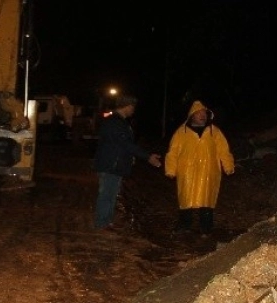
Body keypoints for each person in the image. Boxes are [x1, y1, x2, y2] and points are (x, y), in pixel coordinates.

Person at [164, 100, 235, 237]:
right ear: (192, 115)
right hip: (187, 171)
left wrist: (228, 165)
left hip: (209, 171)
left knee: (207, 199)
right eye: (199, 113)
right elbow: (173, 152)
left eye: (204, 113)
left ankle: (206, 228)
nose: (202, 115)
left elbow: (224, 150)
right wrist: (171, 169)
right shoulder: (181, 132)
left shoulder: (215, 132)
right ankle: (185, 225)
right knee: (186, 198)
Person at [93, 94, 161, 230]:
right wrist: (147, 156)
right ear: (128, 106)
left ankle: (106, 221)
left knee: (111, 195)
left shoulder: (118, 121)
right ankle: (102, 223)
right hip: (111, 165)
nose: (133, 110)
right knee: (107, 195)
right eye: (133, 107)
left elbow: (122, 145)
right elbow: (126, 144)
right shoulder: (115, 122)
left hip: (114, 164)